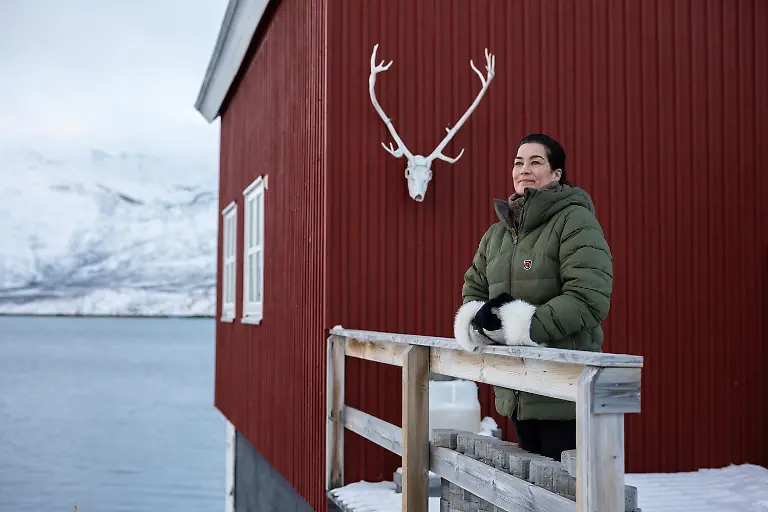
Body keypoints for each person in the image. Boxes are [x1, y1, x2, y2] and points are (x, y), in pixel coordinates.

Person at [453, 133, 613, 460]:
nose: (524, 169)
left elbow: (588, 298)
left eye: (536, 161)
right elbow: (475, 288)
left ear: (556, 174)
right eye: (518, 162)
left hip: (565, 392)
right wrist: (480, 321)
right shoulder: (498, 234)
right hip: (518, 390)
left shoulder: (575, 221)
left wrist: (519, 326)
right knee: (529, 494)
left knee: (569, 496)